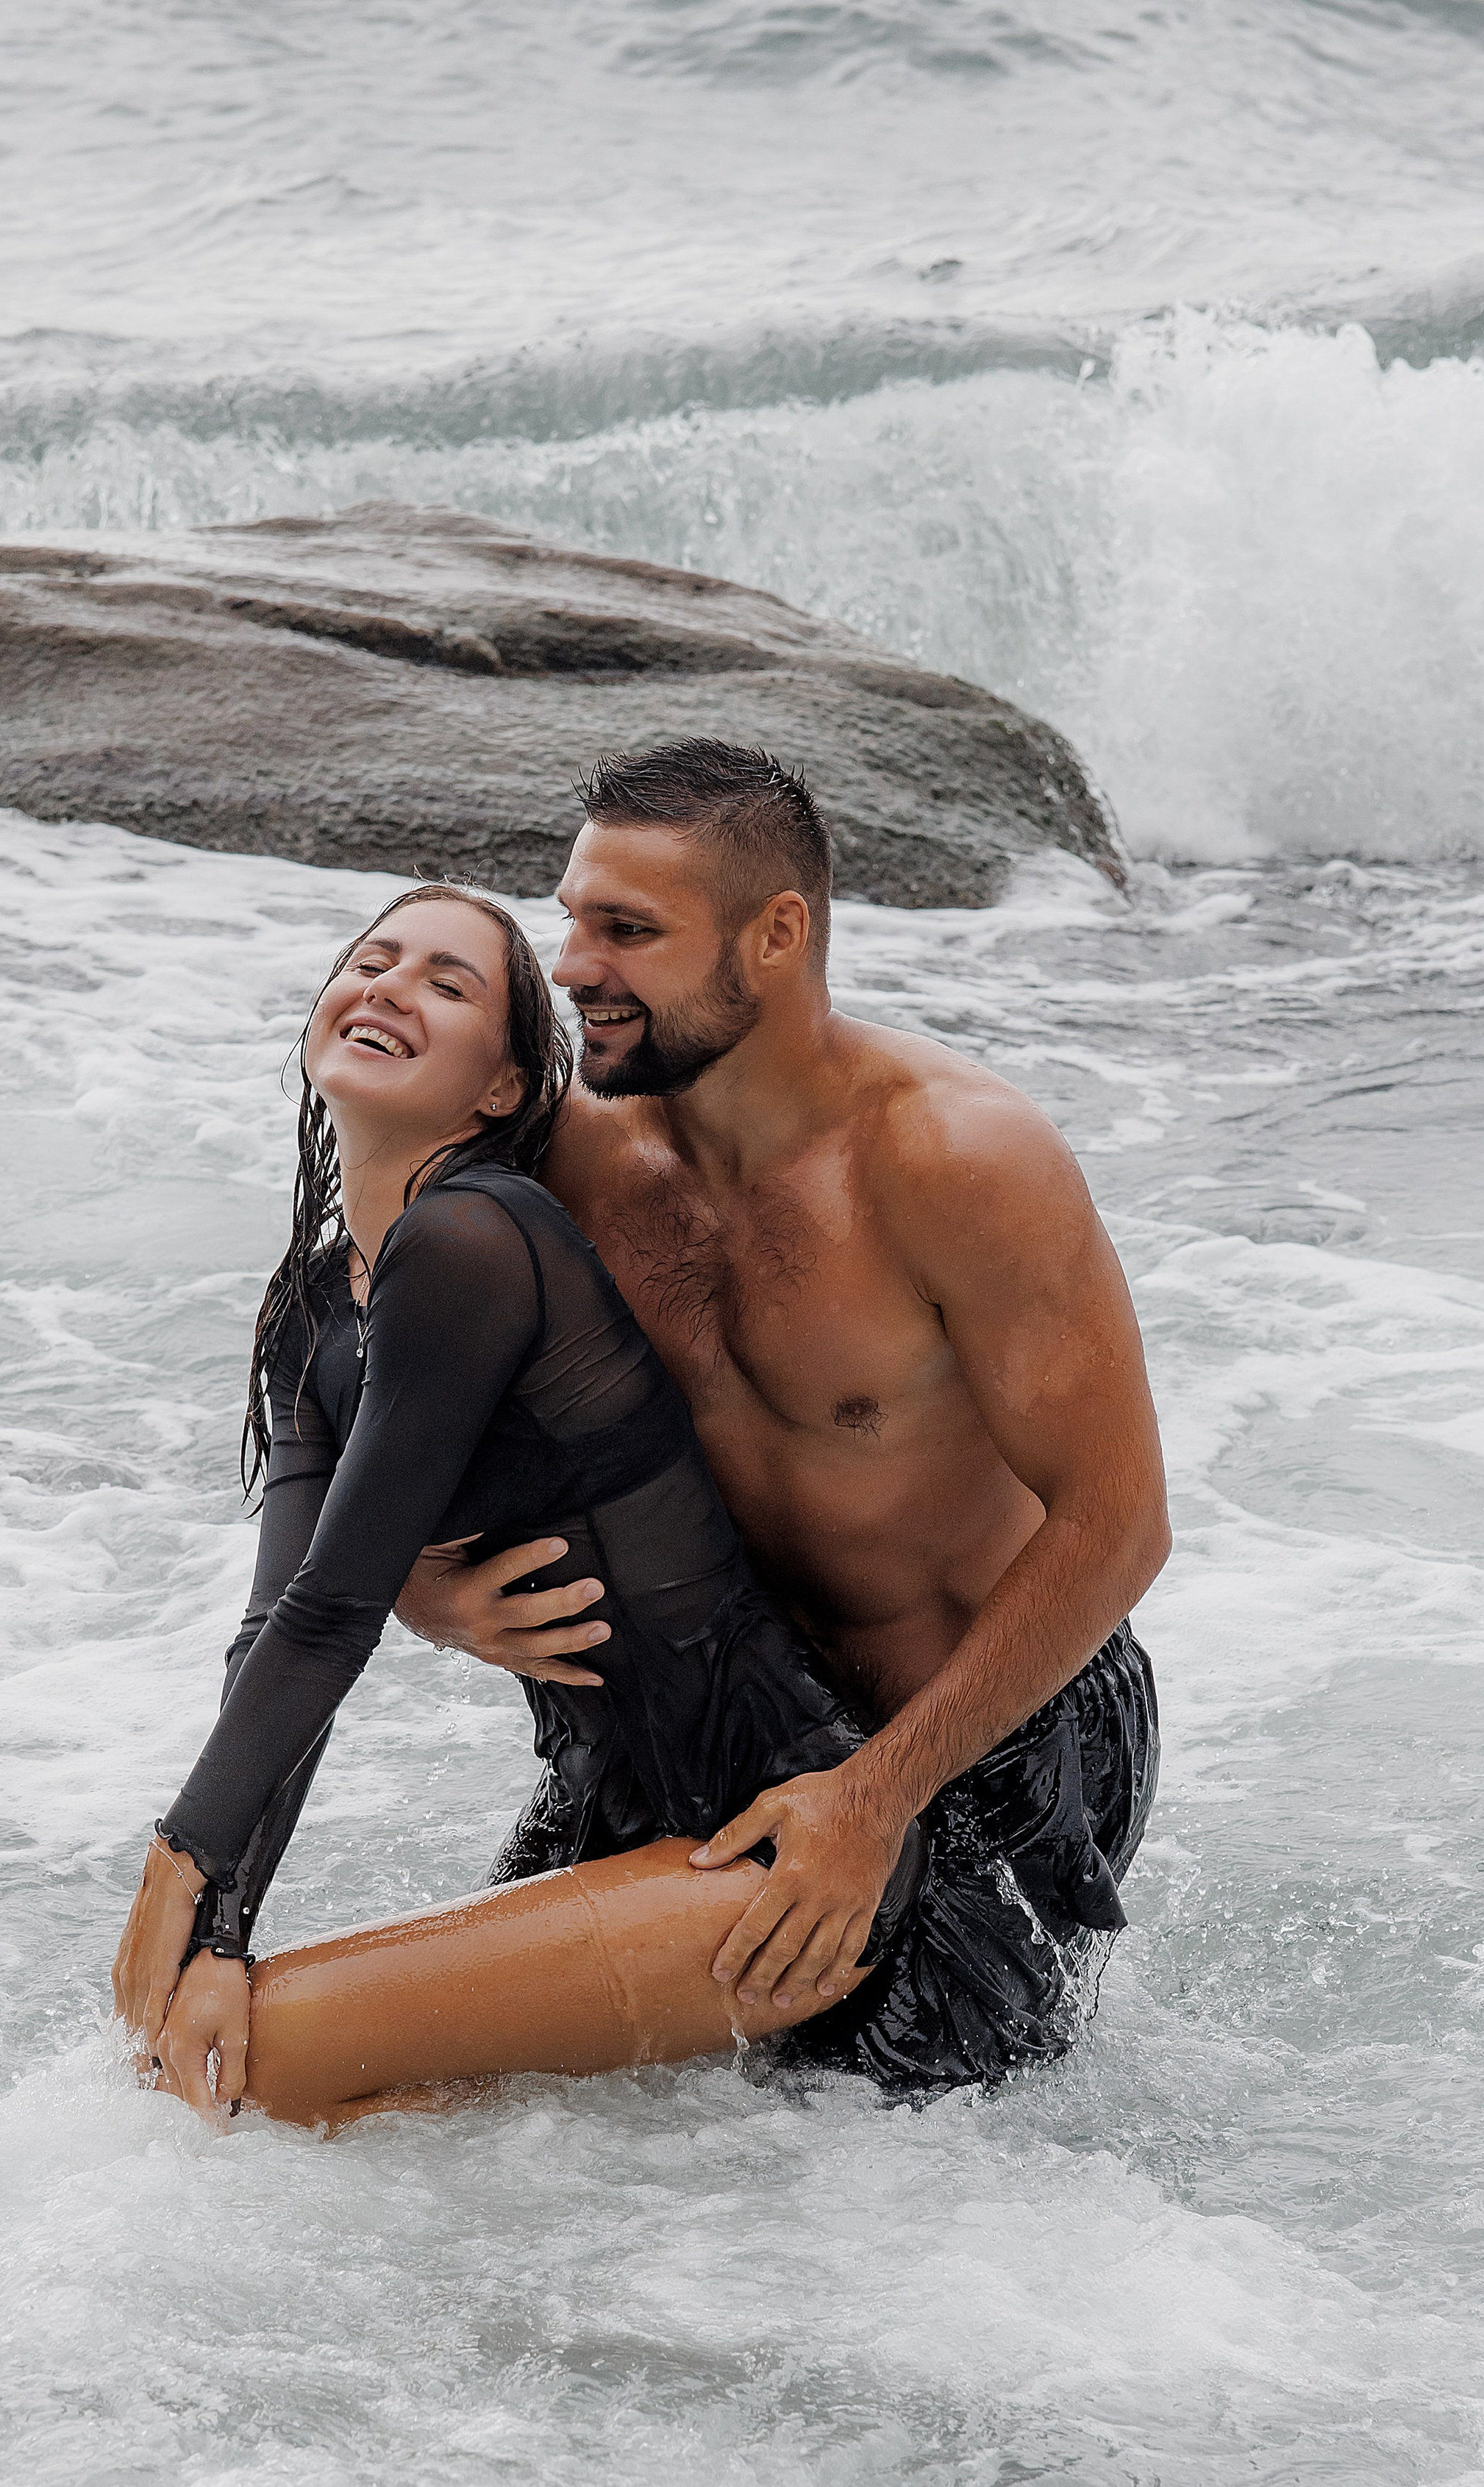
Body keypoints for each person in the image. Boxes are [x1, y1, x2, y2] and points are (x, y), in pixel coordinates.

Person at [394, 739, 1169, 2092]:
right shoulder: (571, 1159)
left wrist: (878, 1800)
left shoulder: (954, 1162)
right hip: (721, 1722)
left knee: (884, 2169)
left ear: (776, 935)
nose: (571, 967)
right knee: (512, 2108)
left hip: (983, 1731)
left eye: (627, 930)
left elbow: (1118, 1526)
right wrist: (431, 1596)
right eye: (570, 916)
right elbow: (357, 1381)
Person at [113, 881, 927, 2124]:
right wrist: (217, 1925)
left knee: (241, 2070)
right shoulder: (314, 1307)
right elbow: (273, 1633)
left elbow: (336, 1612)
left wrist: (182, 1873)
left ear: (503, 1090)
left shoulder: (480, 1238)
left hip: (776, 1847)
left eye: (448, 984)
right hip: (623, 1834)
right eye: (373, 962)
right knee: (202, 2051)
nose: (389, 986)